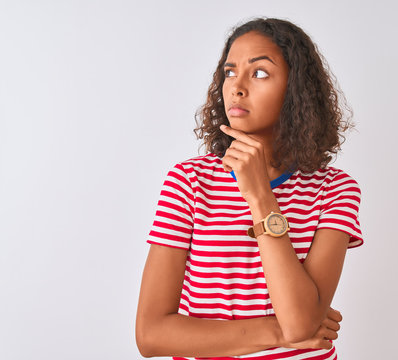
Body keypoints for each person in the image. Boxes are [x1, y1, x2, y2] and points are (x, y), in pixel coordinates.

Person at [135, 17, 363, 360]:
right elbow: (151, 336)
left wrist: (261, 197)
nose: (237, 87)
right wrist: (278, 331)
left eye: (259, 73)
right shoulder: (189, 181)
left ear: (295, 90)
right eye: (229, 72)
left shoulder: (334, 189)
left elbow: (301, 323)